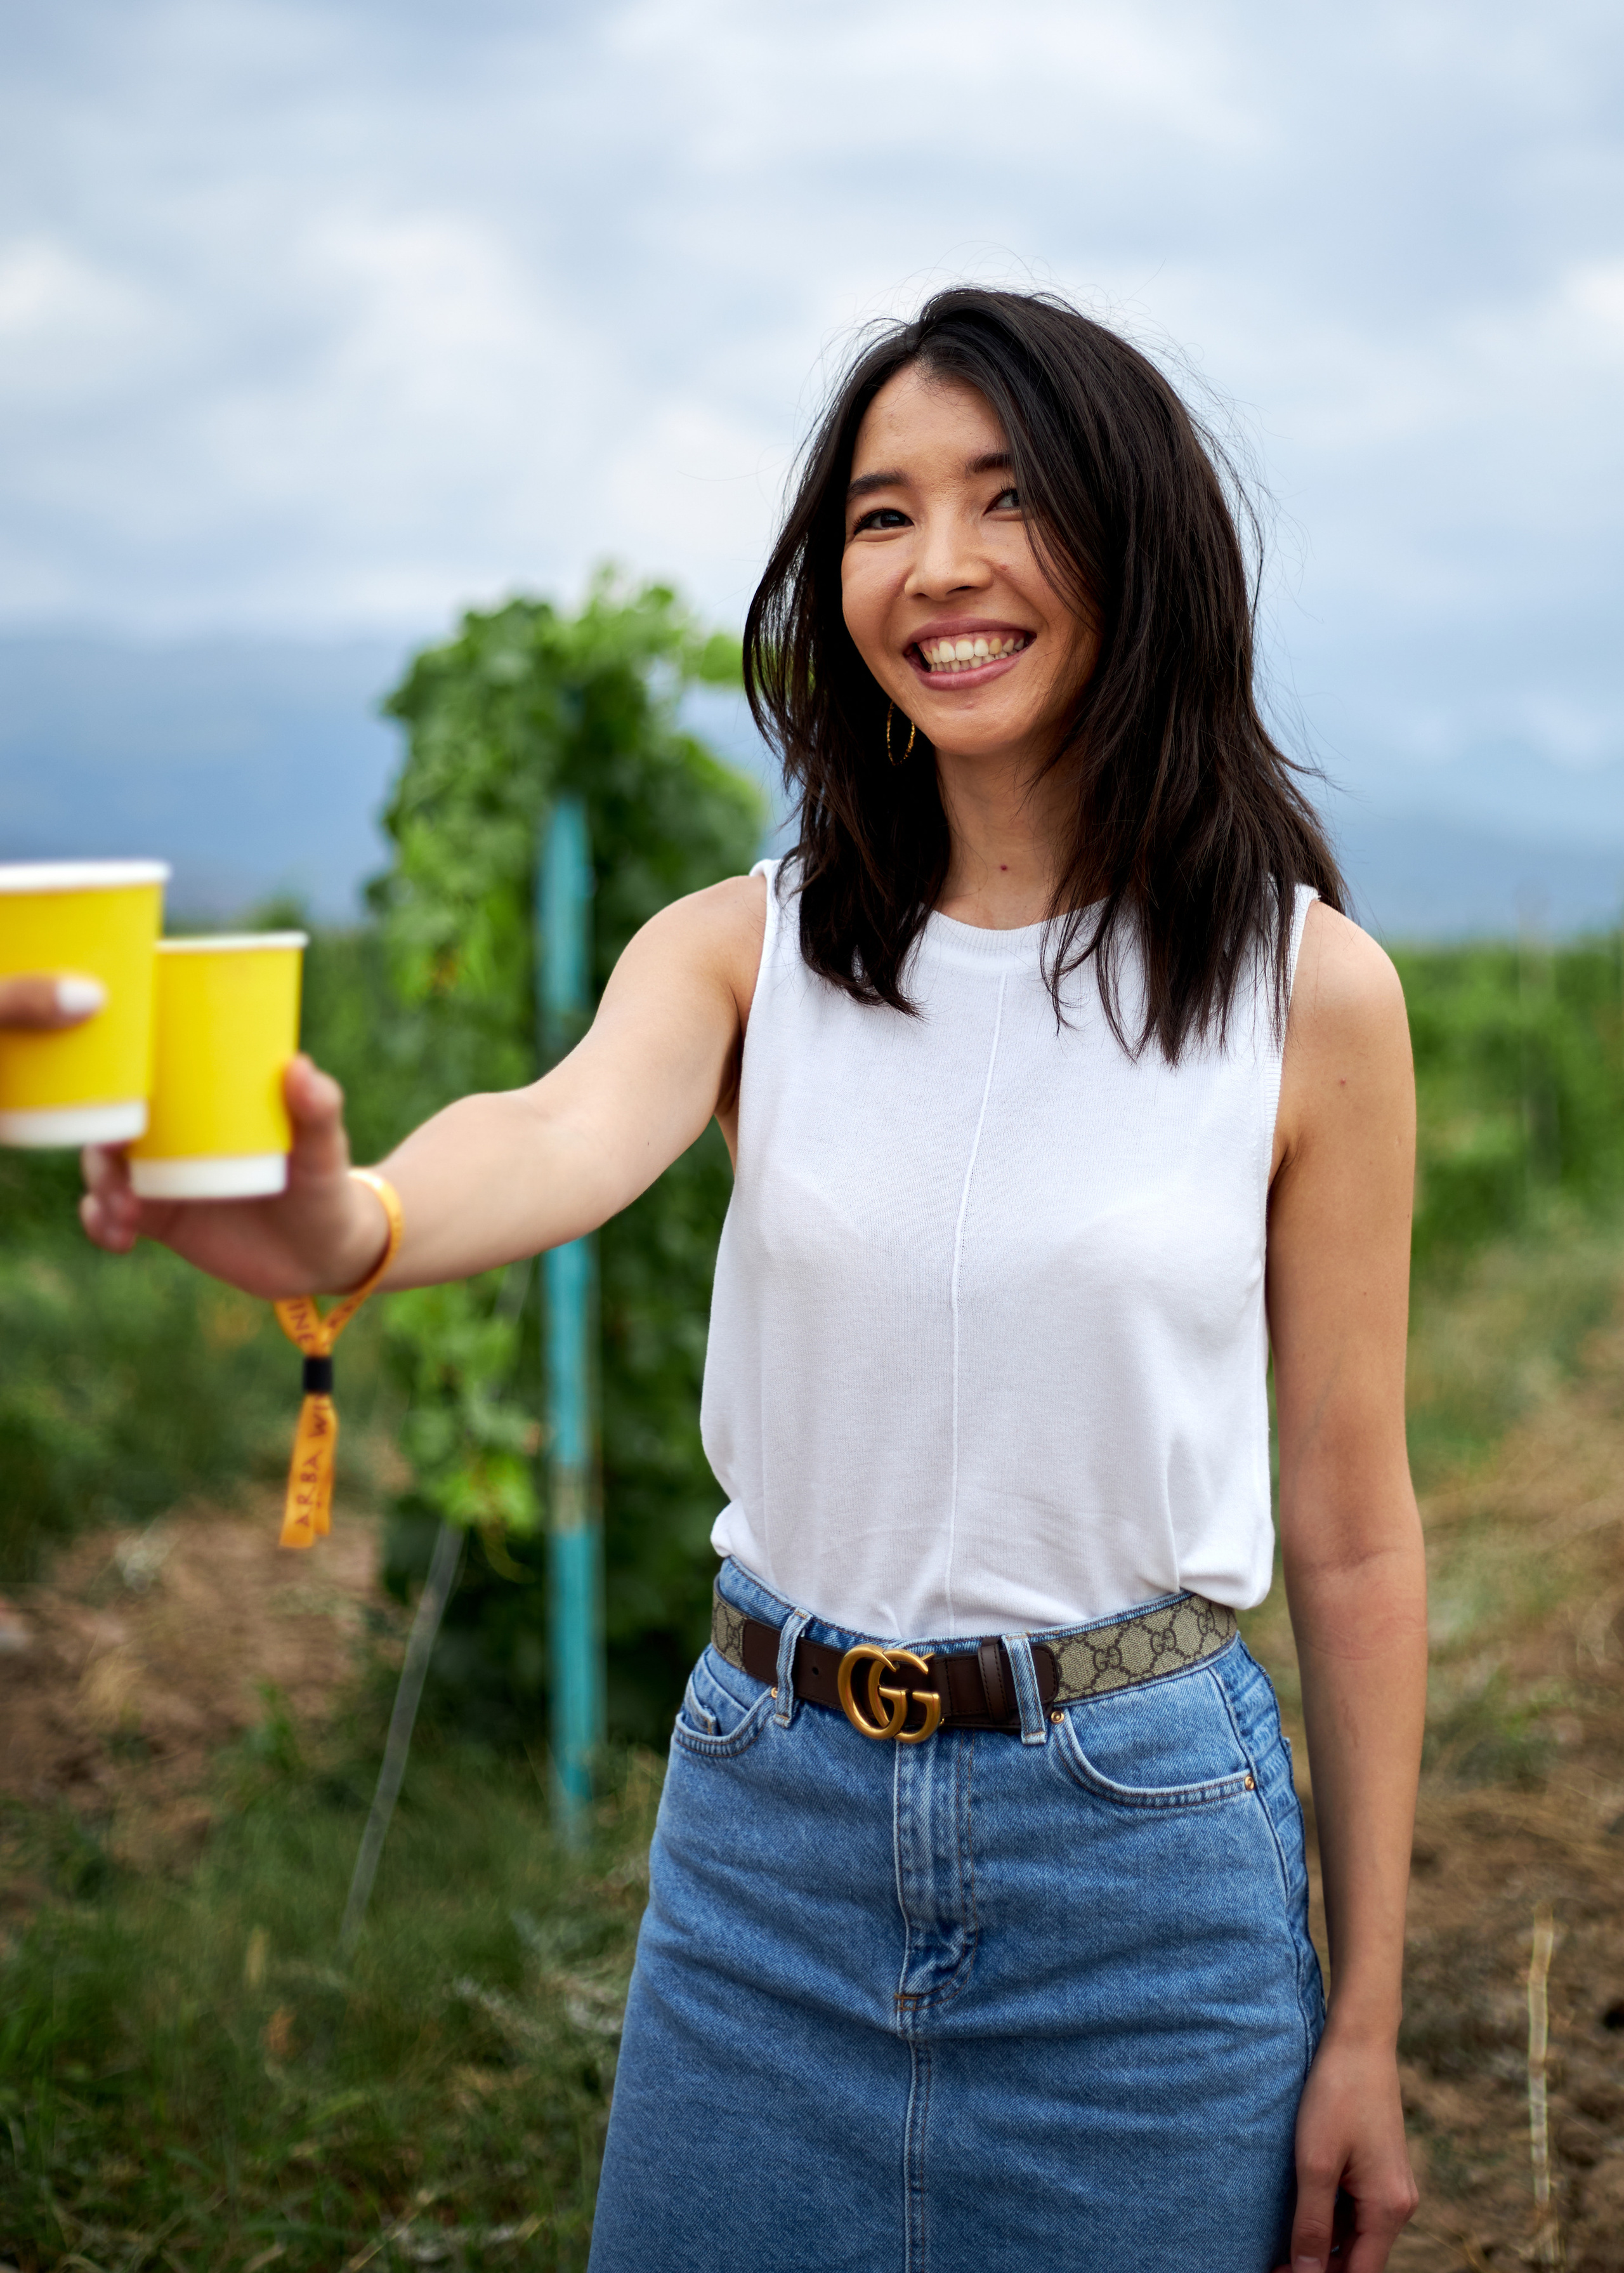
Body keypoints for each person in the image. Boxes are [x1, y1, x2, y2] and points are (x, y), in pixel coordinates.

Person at [81, 288, 1425, 2272]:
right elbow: (542, 1137)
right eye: (881, 516)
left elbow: (1354, 1528)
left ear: (1142, 546)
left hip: (1147, 1882)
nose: (940, 567)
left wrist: (1373, 2023)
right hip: (766, 1852)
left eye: (1008, 499)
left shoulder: (1305, 996)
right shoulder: (749, 951)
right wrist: (340, 1226)